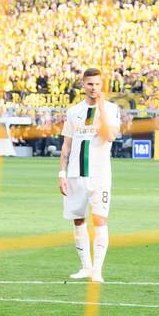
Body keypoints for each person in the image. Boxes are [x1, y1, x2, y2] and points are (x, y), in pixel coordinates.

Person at [60, 67, 120, 284]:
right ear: (83, 85)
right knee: (78, 220)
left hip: (100, 175)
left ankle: (97, 270)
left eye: (97, 84)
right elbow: (66, 145)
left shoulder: (111, 109)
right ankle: (85, 266)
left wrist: (102, 108)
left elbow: (110, 135)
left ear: (101, 85)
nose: (93, 88)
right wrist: (61, 174)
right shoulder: (74, 111)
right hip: (76, 173)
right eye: (90, 84)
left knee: (100, 219)